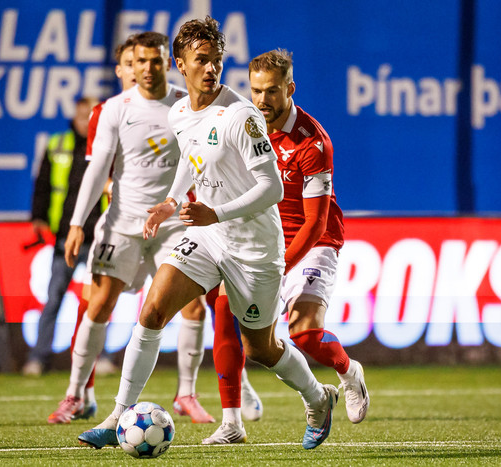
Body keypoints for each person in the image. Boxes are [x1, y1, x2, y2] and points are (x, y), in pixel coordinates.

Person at [77, 16, 338, 451]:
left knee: (261, 349)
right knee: (153, 310)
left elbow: (272, 188)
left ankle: (317, 397)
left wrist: (213, 212)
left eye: (216, 59)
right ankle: (118, 414)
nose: (211, 68)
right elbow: (191, 156)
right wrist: (172, 200)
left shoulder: (241, 115)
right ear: (180, 64)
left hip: (254, 247)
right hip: (208, 236)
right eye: (201, 60)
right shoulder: (180, 112)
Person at [47, 32, 215, 425]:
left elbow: (203, 159)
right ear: (131, 65)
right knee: (99, 304)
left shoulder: (186, 104)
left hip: (172, 226)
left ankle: (186, 394)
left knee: (194, 305)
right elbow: (97, 169)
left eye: (155, 60)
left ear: (167, 63)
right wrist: (77, 223)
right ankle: (76, 394)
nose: (148, 68)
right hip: (122, 225)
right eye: (140, 61)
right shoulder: (114, 109)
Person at [205, 49, 371, 444]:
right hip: (261, 239)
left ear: (290, 89)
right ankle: (232, 423)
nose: (262, 100)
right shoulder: (242, 125)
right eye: (256, 91)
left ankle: (349, 372)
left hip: (312, 244)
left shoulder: (312, 142)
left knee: (304, 333)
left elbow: (315, 222)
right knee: (227, 314)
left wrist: (281, 265)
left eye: (272, 91)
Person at [23, 95, 102, 377]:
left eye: (91, 117)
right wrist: (38, 217)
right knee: (54, 296)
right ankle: (38, 357)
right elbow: (43, 183)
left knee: (99, 301)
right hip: (66, 235)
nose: (86, 122)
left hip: (98, 235)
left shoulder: (107, 143)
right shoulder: (59, 143)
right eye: (83, 116)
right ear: (75, 116)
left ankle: (99, 358)